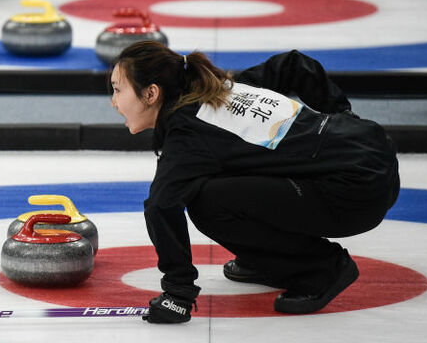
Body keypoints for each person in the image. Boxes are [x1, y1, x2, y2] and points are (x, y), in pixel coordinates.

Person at [108, 41, 400, 323]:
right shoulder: (221, 89)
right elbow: (294, 64)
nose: (113, 102)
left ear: (151, 93)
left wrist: (177, 294)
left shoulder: (188, 134)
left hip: (355, 191)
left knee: (206, 203)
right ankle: (267, 260)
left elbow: (160, 205)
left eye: (118, 90)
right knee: (219, 174)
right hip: (373, 151)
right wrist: (343, 117)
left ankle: (321, 269)